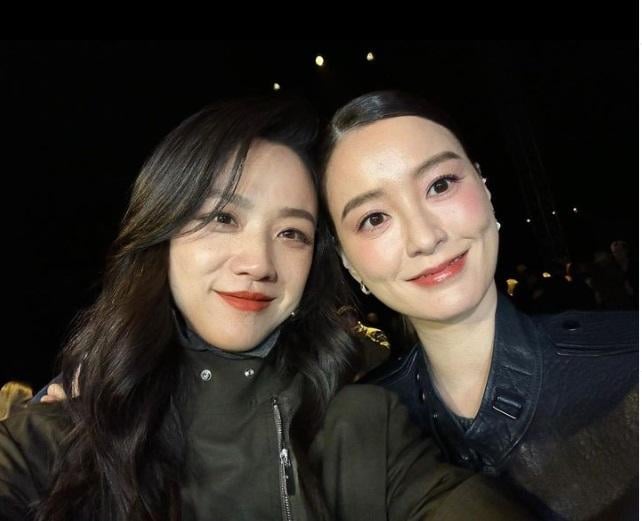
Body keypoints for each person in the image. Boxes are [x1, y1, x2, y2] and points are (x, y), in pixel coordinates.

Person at [0, 96, 529, 521]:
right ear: (163, 231)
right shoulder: (53, 437)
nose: (258, 262)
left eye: (292, 233)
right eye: (223, 219)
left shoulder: (361, 427)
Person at [319, 90, 638, 520]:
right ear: (346, 259)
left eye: (440, 185)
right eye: (374, 218)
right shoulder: (354, 435)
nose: (425, 237)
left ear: (485, 188)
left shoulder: (629, 361)